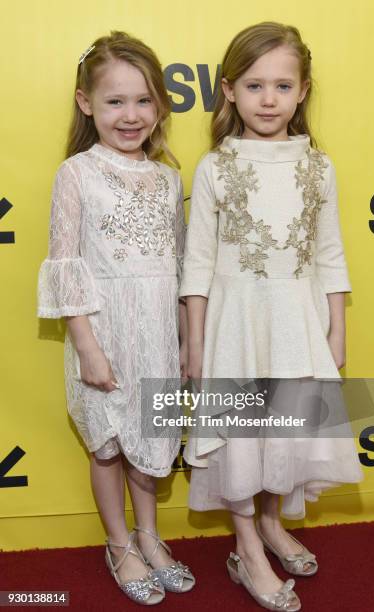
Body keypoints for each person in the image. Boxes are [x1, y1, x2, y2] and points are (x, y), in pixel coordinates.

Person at [180, 21, 362, 611]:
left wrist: (337, 329)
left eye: (282, 86)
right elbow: (199, 266)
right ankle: (247, 548)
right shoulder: (216, 168)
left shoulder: (319, 167)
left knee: (279, 432)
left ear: (303, 91)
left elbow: (330, 253)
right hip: (235, 327)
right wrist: (196, 343)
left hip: (295, 323)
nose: (268, 99)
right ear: (229, 90)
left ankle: (272, 524)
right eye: (255, 85)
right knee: (239, 437)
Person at [38, 31, 195, 605]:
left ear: (160, 104)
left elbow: (178, 269)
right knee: (107, 444)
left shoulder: (168, 177)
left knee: (150, 444)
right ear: (86, 103)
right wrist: (86, 346)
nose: (130, 116)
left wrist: (182, 343)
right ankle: (118, 543)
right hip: (103, 330)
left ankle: (149, 536)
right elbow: (65, 265)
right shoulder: (76, 173)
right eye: (114, 102)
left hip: (156, 332)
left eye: (143, 101)